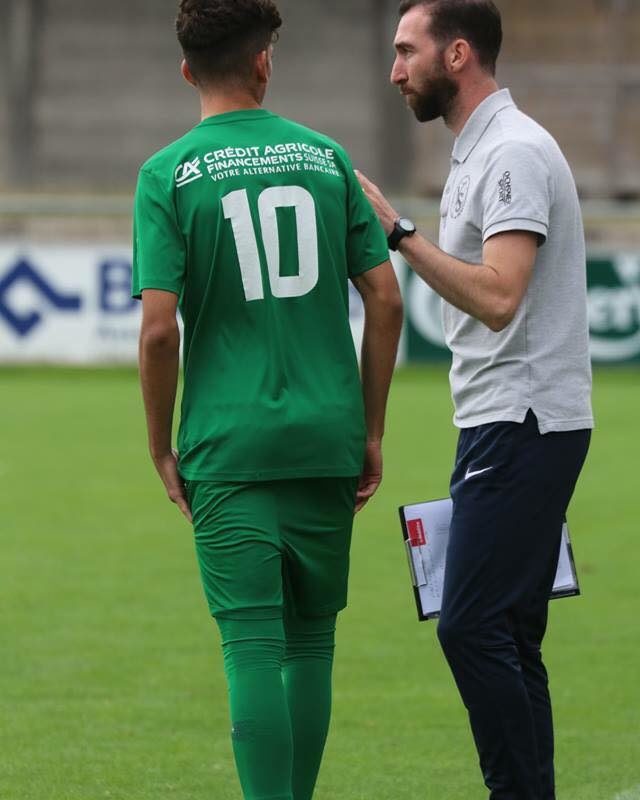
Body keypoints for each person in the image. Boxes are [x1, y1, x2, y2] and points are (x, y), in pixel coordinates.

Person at [132, 1, 403, 799]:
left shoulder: (168, 173)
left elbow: (157, 331)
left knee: (250, 647)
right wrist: (372, 429)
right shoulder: (327, 158)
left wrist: (158, 445)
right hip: (327, 433)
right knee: (311, 644)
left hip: (228, 440)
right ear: (264, 62)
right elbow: (385, 300)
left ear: (187, 70)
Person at [357, 1, 593, 798]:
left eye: (406, 51)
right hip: (504, 419)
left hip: (524, 420)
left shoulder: (514, 153)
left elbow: (499, 298)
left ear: (458, 55)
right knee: (513, 632)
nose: (395, 71)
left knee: (470, 627)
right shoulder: (479, 153)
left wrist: (397, 231)